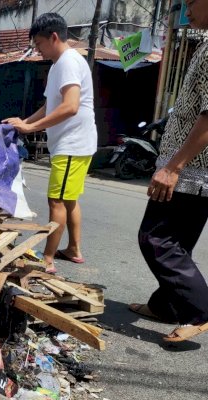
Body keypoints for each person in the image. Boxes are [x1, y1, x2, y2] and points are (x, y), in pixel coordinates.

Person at [129, 0, 208, 342]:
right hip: (195, 171)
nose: (185, 11)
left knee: (155, 238)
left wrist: (174, 167)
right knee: (178, 242)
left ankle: (200, 310)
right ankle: (165, 305)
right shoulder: (204, 43)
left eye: (191, 2)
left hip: (192, 172)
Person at [2, 13, 97, 273]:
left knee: (56, 201)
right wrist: (25, 122)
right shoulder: (59, 64)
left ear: (54, 37)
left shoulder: (67, 62)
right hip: (74, 144)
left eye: (39, 44)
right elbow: (50, 106)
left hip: (72, 145)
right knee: (69, 200)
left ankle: (47, 259)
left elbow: (70, 106)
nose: (38, 50)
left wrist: (31, 127)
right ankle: (74, 249)